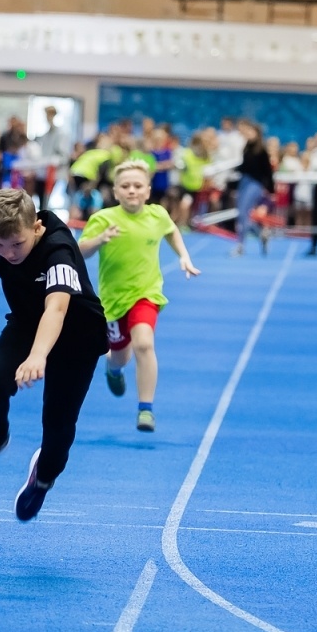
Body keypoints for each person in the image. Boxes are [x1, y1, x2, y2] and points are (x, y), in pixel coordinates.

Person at [0, 188, 108, 522]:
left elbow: (57, 310)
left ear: (36, 228)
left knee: (58, 427)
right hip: (28, 322)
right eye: (0, 245)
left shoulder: (59, 251)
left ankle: (43, 479)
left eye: (16, 244)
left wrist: (37, 356)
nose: (8, 253)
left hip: (78, 336)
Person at [79, 160, 200, 432]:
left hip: (146, 293)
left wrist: (184, 256)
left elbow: (171, 231)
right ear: (116, 191)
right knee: (121, 356)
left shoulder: (157, 215)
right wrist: (100, 240)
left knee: (144, 343)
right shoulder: (103, 219)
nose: (131, 191)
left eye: (137, 186)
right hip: (113, 300)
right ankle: (113, 367)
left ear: (147, 191)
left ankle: (145, 409)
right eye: (125, 186)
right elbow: (81, 250)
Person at [233, 125, 274, 256]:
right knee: (241, 214)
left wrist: (271, 190)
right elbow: (245, 167)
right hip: (244, 181)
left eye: (251, 131)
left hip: (255, 183)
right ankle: (261, 233)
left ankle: (241, 245)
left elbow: (268, 171)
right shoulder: (246, 148)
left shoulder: (261, 150)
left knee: (244, 212)